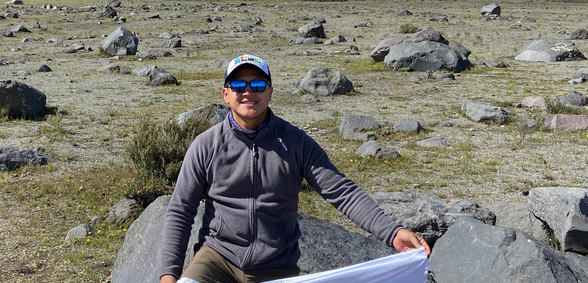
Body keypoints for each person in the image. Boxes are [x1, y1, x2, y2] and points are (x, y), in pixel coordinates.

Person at [159, 54, 429, 283]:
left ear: (270, 91)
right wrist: (168, 275)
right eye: (238, 84)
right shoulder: (206, 145)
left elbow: (343, 192)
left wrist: (393, 233)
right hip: (217, 259)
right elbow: (181, 209)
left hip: (276, 266)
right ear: (226, 94)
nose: (248, 92)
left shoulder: (295, 142)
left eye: (258, 84)